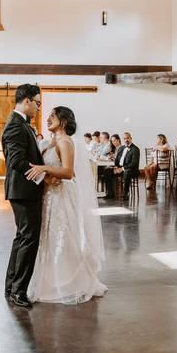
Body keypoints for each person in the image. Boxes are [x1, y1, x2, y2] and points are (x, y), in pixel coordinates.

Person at [24, 106, 106, 304]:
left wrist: (43, 168)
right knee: (49, 238)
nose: (48, 119)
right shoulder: (50, 142)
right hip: (50, 195)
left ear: (64, 121)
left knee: (64, 237)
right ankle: (50, 281)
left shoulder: (65, 141)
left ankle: (70, 282)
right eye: (48, 116)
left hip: (62, 195)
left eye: (52, 116)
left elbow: (68, 172)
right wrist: (45, 177)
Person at [1, 84, 44, 309]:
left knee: (22, 238)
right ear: (26, 101)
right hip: (23, 190)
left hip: (22, 191)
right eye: (37, 102)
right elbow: (16, 161)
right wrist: (42, 176)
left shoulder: (22, 124)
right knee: (29, 239)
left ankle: (11, 287)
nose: (38, 107)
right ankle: (19, 291)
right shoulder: (15, 126)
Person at [102, 131, 139, 200]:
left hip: (131, 170)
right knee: (107, 171)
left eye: (127, 138)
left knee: (126, 172)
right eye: (124, 138)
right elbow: (117, 159)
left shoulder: (135, 149)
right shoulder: (121, 148)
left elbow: (134, 163)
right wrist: (116, 166)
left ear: (131, 138)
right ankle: (110, 193)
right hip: (120, 168)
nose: (126, 140)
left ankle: (125, 194)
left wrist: (122, 169)